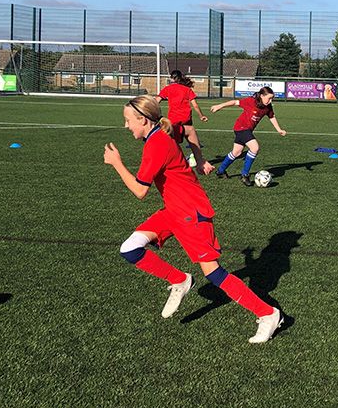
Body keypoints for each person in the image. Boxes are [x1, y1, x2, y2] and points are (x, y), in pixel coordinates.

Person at [103, 95, 283, 343]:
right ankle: (179, 280)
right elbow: (188, 129)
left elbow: (140, 191)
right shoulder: (160, 133)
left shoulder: (156, 144)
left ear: (143, 120)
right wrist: (199, 159)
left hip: (191, 213)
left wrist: (117, 163)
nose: (126, 126)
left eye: (127, 120)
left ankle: (268, 314)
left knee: (214, 274)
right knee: (130, 249)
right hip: (174, 210)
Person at [210, 86, 287, 186]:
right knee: (255, 148)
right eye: (269, 98)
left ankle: (220, 171)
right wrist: (219, 106)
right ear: (262, 96)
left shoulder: (268, 106)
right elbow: (235, 102)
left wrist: (279, 130)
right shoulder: (251, 101)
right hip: (241, 128)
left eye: (272, 98)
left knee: (236, 152)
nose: (270, 101)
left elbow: (272, 117)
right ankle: (244, 175)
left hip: (246, 130)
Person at [155, 70, 215, 175]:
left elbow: (157, 101)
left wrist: (152, 112)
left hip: (174, 120)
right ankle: (197, 159)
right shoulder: (187, 89)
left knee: (174, 144)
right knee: (192, 139)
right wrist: (201, 116)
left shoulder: (168, 88)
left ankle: (177, 162)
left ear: (172, 78)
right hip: (186, 118)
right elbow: (195, 105)